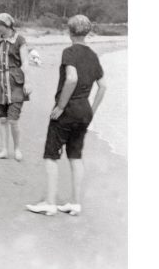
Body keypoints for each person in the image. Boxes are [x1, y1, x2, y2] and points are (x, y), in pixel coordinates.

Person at [26, 15, 107, 216]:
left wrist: (61, 106)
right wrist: (92, 111)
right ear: (88, 32)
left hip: (68, 110)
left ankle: (50, 203)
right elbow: (103, 86)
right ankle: (75, 203)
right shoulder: (93, 56)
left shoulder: (69, 52)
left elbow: (71, 78)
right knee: (75, 156)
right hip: (84, 112)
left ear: (69, 32)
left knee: (51, 155)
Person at [0, 13, 30, 161]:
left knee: (13, 120)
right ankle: (4, 149)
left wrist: (28, 81)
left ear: (7, 26)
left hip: (15, 83)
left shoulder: (20, 40)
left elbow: (25, 62)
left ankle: (17, 149)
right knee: (2, 120)